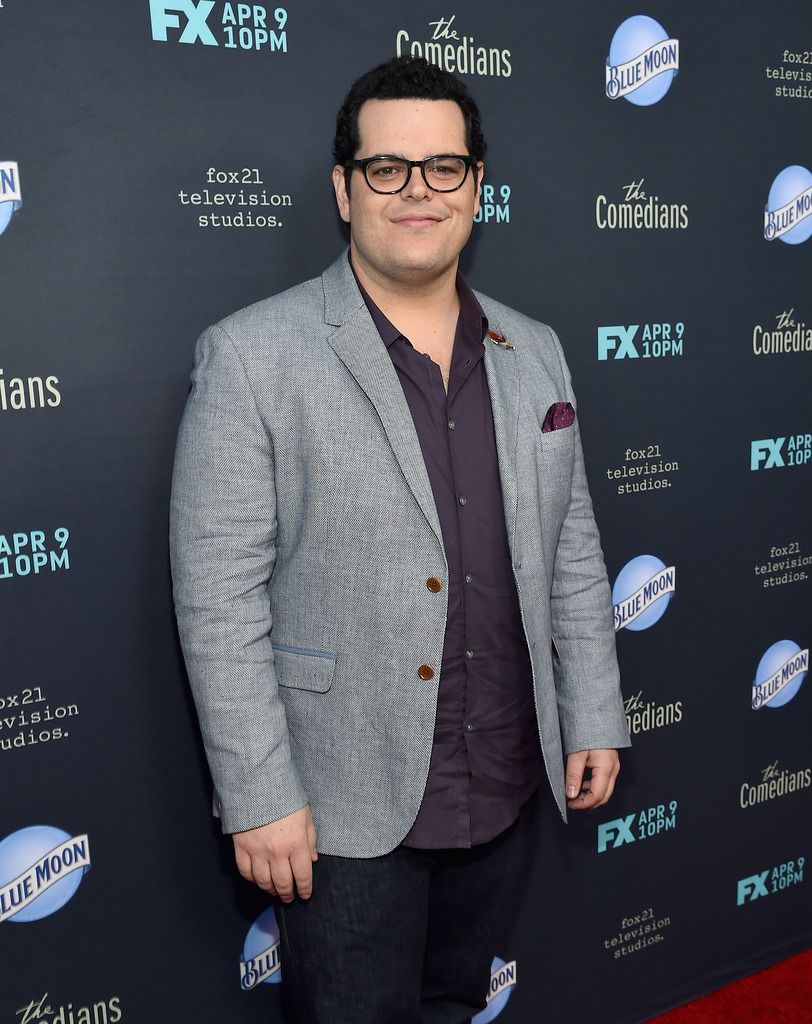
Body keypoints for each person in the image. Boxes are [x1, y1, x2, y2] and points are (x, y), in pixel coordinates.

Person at [170, 55, 630, 1024]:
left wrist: (590, 708)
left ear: (477, 188)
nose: (417, 191)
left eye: (443, 168)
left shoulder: (533, 345)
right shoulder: (253, 354)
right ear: (344, 188)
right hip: (342, 804)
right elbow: (217, 594)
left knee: (453, 1003)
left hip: (504, 777)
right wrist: (258, 794)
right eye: (387, 168)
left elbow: (572, 548)